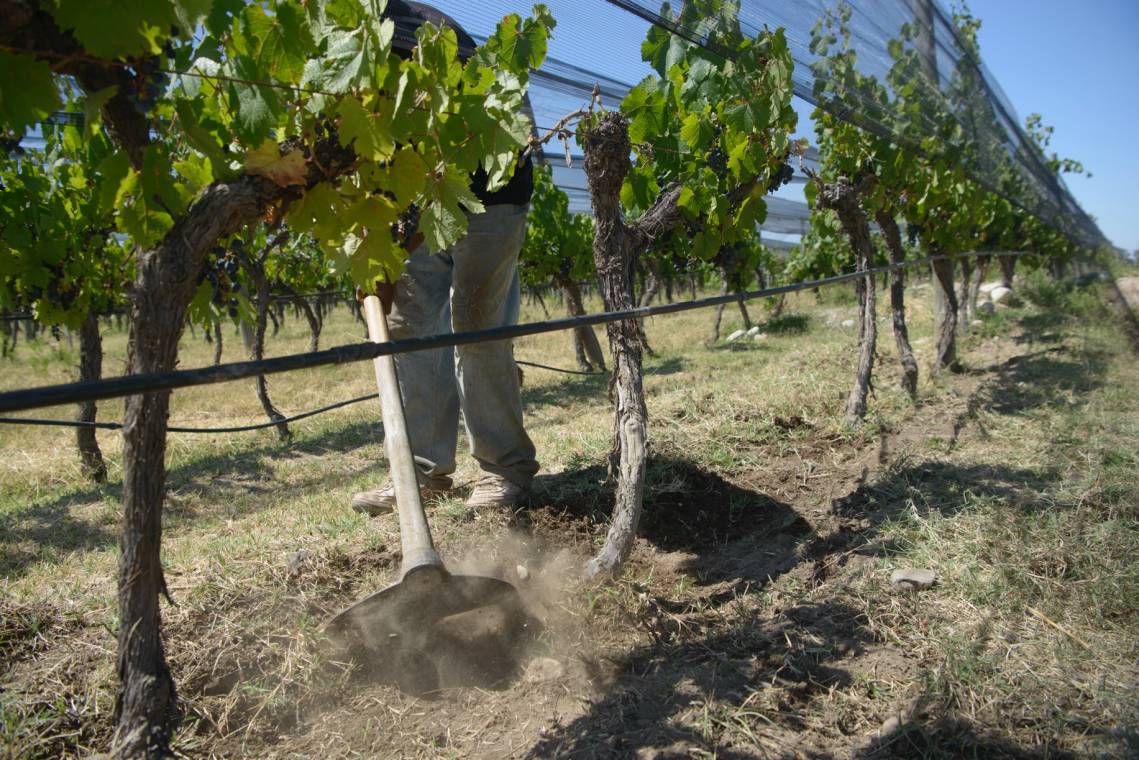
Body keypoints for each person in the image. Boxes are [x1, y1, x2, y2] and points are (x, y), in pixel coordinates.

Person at [351, 1, 539, 516]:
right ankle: (421, 475)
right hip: (423, 194)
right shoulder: (348, 42)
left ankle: (505, 471)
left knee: (476, 327)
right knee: (411, 330)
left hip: (492, 187)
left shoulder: (401, 33)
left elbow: (432, 150)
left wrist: (393, 249)